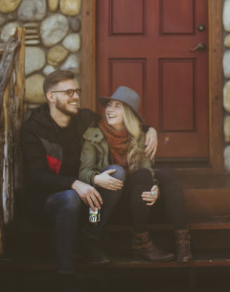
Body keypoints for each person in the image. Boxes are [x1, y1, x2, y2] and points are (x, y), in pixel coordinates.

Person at [20, 71, 158, 292]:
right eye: (69, 92)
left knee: (114, 174)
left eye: (77, 91)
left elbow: (120, 120)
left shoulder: (84, 118)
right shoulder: (33, 129)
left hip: (89, 200)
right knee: (70, 198)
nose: (75, 96)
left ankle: (90, 236)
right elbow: (36, 177)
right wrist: (74, 184)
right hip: (49, 201)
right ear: (51, 97)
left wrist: (150, 130)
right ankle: (66, 276)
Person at [79, 86, 192, 263]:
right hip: (98, 206)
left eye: (117, 106)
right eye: (109, 105)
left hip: (132, 205)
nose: (110, 110)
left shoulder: (139, 137)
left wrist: (156, 191)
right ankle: (90, 238)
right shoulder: (93, 136)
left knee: (155, 175)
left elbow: (147, 172)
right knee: (118, 172)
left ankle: (155, 243)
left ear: (128, 112)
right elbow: (83, 172)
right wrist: (96, 178)